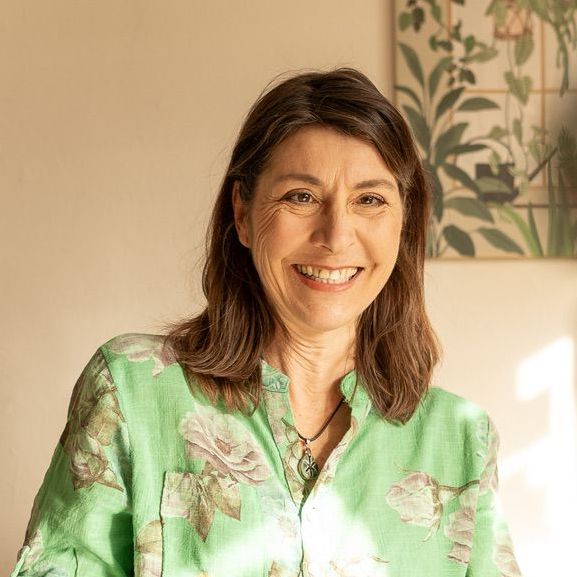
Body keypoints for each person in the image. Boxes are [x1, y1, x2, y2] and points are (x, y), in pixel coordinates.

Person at [12, 68, 522, 577]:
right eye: (301, 196)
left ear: (403, 222)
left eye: (369, 200)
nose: (336, 236)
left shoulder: (463, 440)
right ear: (243, 213)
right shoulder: (129, 390)